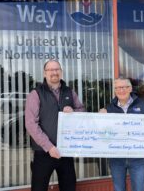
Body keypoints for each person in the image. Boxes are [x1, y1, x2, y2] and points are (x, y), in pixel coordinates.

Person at [25, 60, 85, 191]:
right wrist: (49, 147)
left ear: (61, 72)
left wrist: (73, 111)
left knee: (69, 187)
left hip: (66, 150)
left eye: (57, 69)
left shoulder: (70, 92)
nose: (54, 72)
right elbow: (31, 124)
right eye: (50, 70)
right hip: (43, 152)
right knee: (39, 188)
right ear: (45, 73)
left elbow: (82, 111)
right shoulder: (36, 94)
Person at [100, 77, 144, 191]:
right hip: (116, 159)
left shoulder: (142, 105)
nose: (121, 90)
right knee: (119, 189)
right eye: (118, 88)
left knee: (139, 188)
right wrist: (99, 116)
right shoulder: (109, 108)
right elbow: (101, 130)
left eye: (124, 87)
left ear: (130, 89)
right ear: (115, 90)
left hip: (137, 158)